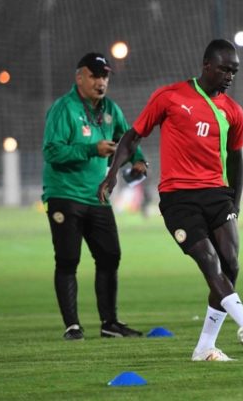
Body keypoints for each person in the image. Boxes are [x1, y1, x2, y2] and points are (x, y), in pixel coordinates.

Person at [98, 39, 243, 361]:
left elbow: (236, 159)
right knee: (209, 261)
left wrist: (236, 201)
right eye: (224, 69)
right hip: (179, 197)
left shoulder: (233, 111)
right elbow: (132, 136)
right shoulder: (170, 97)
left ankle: (205, 347)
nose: (230, 75)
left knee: (231, 265)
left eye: (234, 70)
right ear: (206, 65)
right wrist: (112, 174)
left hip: (218, 195)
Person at [42, 52, 148, 340]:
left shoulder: (110, 109)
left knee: (110, 255)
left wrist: (138, 159)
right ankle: (72, 326)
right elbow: (51, 151)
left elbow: (128, 138)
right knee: (67, 259)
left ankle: (109, 323)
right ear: (79, 77)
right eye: (94, 75)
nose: (101, 81)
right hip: (64, 194)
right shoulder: (63, 108)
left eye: (105, 76)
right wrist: (92, 149)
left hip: (97, 196)